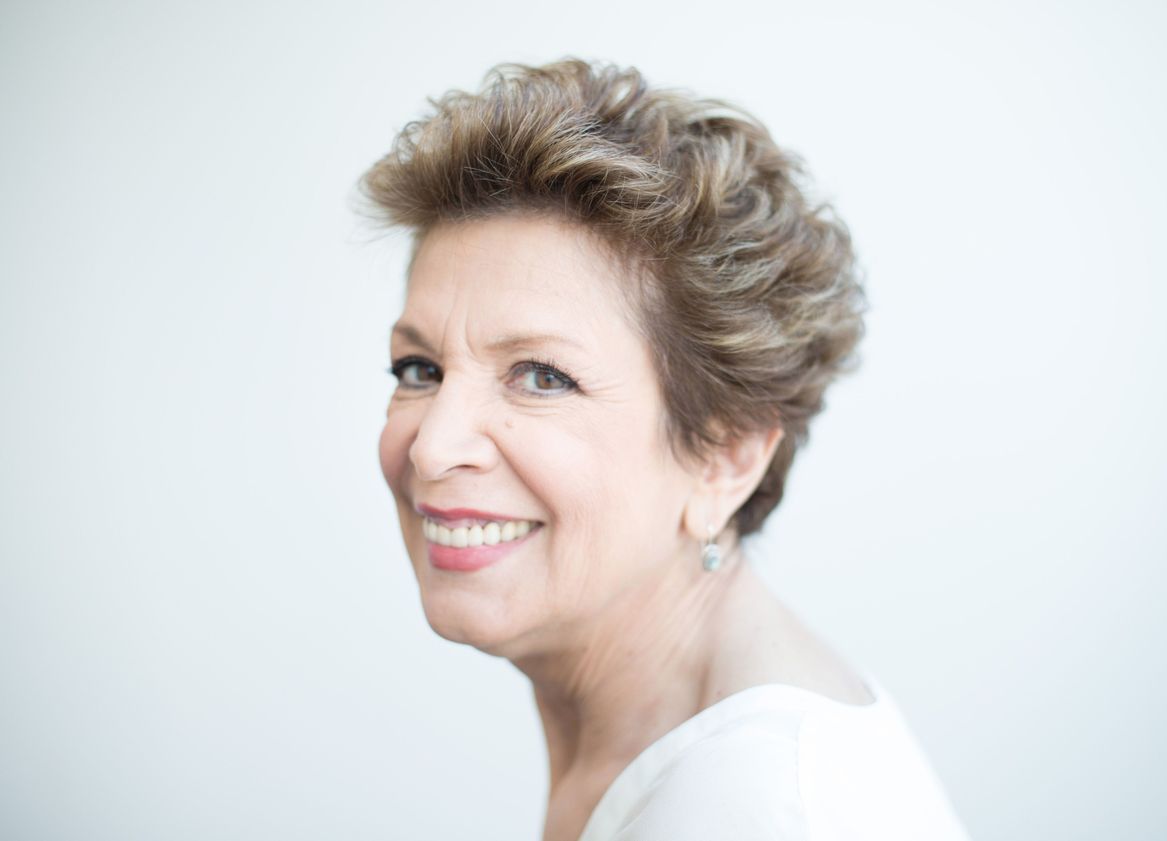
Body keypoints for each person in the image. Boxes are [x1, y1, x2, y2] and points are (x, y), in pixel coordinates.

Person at [361, 58, 971, 841]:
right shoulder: (680, 752)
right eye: (420, 369)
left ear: (726, 455)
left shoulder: (752, 810)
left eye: (542, 376)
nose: (433, 447)